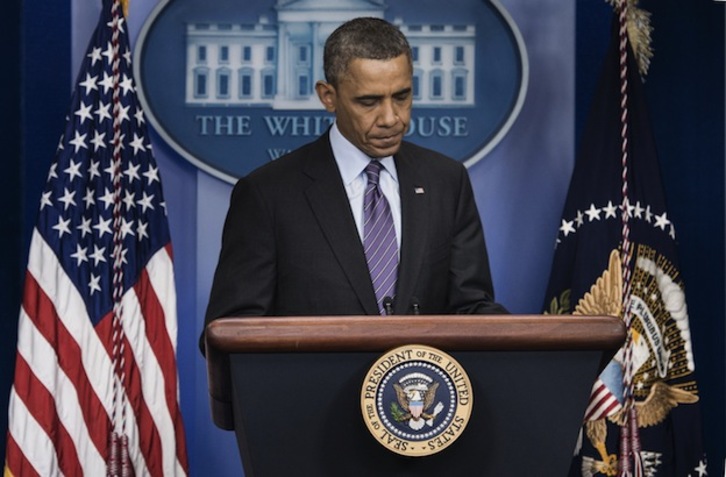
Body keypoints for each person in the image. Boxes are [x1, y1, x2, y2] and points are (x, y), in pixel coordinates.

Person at [202, 17, 507, 350]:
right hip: (312, 399)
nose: (392, 118)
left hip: (417, 398)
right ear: (328, 96)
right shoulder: (267, 195)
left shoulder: (446, 181)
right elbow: (231, 334)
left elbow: (472, 309)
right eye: (369, 102)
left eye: (402, 96)